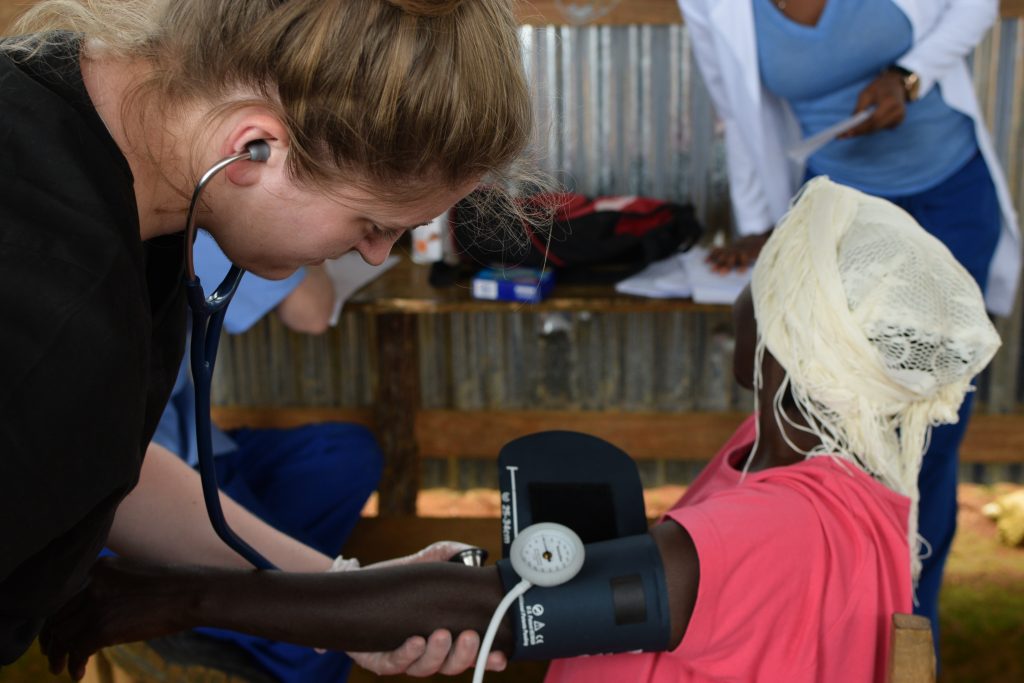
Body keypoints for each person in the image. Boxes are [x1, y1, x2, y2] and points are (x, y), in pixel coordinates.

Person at [39, 179, 1001, 682]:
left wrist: (178, 598)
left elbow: (497, 605)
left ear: (788, 344)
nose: (741, 296)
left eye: (764, 285)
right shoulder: (819, 475)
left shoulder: (776, 525)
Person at [0, 0, 532, 676]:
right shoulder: (50, 308)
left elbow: (94, 457)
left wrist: (337, 589)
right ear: (255, 148)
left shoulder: (78, 121)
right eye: (373, 224)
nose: (375, 254)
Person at [675, 0, 1020, 646]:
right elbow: (738, 108)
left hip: (950, 202)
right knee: (831, 427)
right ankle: (837, 629)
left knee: (928, 432)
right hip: (840, 221)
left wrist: (908, 75)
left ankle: (913, 634)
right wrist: (761, 224)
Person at [121, 231, 382, 683]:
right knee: (323, 640)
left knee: (348, 456)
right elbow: (311, 312)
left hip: (194, 443)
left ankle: (241, 608)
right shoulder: (185, 222)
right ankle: (262, 614)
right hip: (143, 481)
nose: (376, 252)